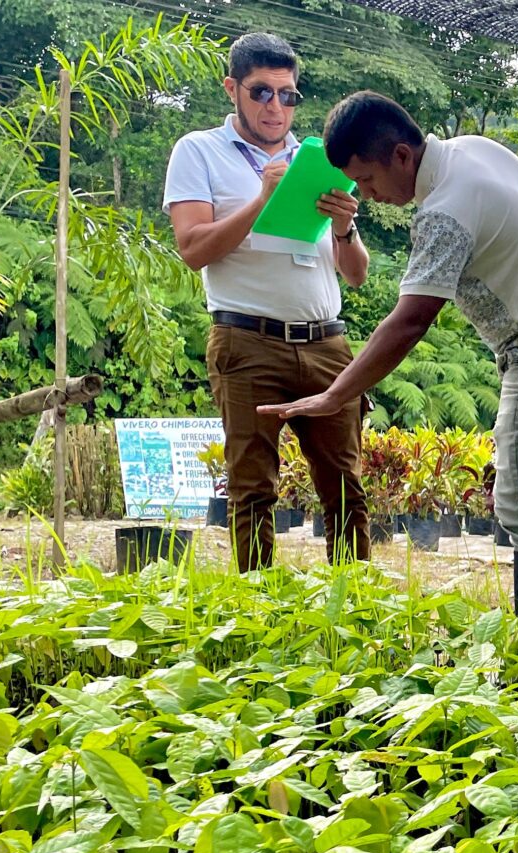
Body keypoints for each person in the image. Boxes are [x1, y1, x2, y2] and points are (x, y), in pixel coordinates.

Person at [257, 92, 518, 633]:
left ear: (402, 155)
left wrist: (335, 394)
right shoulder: (474, 149)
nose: (368, 195)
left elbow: (410, 320)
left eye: (367, 179)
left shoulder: (443, 211)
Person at [163, 32, 372, 571]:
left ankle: (352, 607)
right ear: (232, 88)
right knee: (253, 489)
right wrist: (262, 199)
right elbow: (192, 249)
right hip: (247, 340)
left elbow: (356, 275)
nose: (275, 107)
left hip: (326, 341)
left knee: (346, 487)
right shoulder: (198, 150)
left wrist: (345, 227)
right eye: (261, 92)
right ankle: (256, 612)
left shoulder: (317, 162)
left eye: (287, 95)